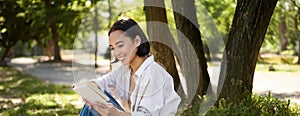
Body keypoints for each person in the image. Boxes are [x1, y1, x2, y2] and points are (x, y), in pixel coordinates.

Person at [79, 18, 181, 116]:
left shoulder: (155, 74)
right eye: (113, 48)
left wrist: (117, 114)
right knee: (93, 103)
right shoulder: (124, 71)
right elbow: (102, 83)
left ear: (137, 41)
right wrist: (89, 88)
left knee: (94, 106)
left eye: (120, 45)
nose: (116, 53)